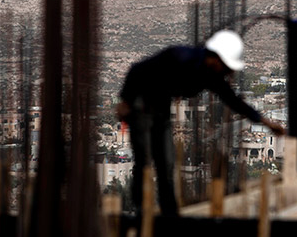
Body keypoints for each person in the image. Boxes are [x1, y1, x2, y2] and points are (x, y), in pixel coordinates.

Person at [116, 30, 285, 216]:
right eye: (226, 66)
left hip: (161, 109)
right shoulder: (180, 56)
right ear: (216, 58)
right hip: (141, 105)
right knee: (144, 161)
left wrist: (266, 123)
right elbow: (137, 69)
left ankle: (169, 214)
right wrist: (126, 100)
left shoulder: (210, 75)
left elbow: (233, 101)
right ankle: (140, 211)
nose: (228, 72)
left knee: (166, 163)